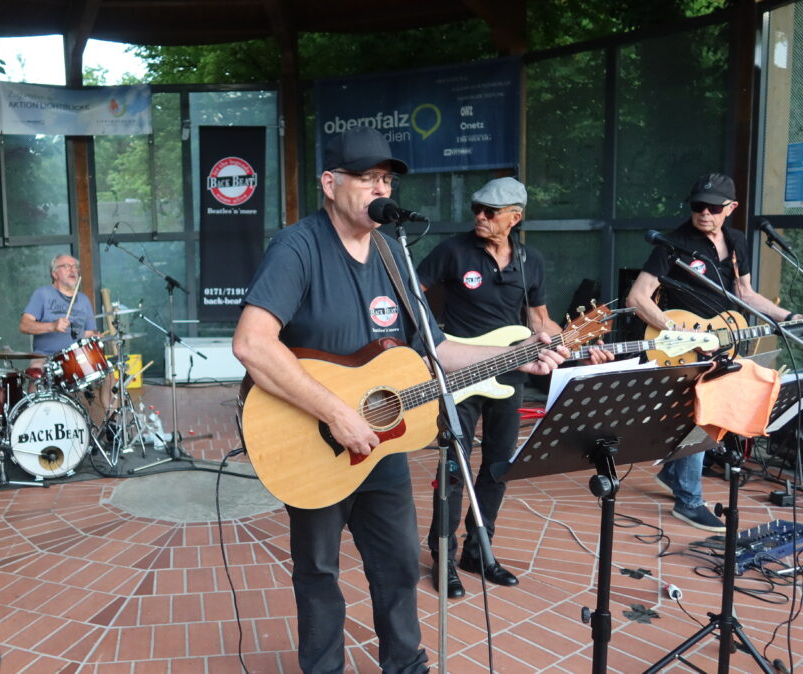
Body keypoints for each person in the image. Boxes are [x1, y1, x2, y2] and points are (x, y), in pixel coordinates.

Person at [232, 127, 569, 673]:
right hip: (312, 440)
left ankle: (406, 665)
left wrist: (515, 355)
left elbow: (437, 348)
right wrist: (336, 413)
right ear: (330, 184)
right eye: (367, 178)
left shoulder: (393, 255)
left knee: (399, 566)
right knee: (319, 572)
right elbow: (252, 344)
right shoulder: (297, 247)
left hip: (380, 445)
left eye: (386, 179)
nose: (380, 189)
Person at [417, 177, 612, 598]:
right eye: (477, 209)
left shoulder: (529, 260)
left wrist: (578, 347)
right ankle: (443, 556)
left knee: (499, 467)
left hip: (509, 376)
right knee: (453, 469)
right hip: (460, 374)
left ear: (514, 218)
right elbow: (412, 297)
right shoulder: (452, 251)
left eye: (490, 212)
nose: (480, 217)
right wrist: (430, 343)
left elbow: (540, 321)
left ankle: (478, 550)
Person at [626, 172, 803, 532]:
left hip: (723, 340)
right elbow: (637, 297)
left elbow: (745, 294)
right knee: (705, 412)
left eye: (712, 207)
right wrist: (675, 330)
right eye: (697, 206)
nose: (704, 213)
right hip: (686, 344)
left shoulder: (736, 241)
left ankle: (674, 474)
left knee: (713, 413)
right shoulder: (673, 243)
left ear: (731, 208)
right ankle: (689, 501)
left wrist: (791, 317)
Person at [19, 253, 99, 356]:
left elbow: (89, 333)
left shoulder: (84, 299)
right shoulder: (42, 294)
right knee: (37, 366)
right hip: (46, 357)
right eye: (67, 266)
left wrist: (95, 337)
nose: (73, 270)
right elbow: (24, 325)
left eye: (75, 267)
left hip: (78, 358)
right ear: (54, 274)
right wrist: (52, 326)